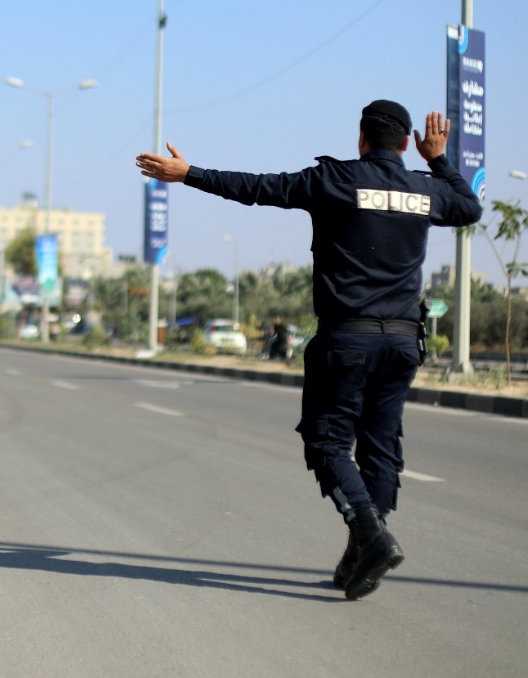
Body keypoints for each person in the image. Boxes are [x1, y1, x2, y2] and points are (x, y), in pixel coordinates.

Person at [134, 100, 482, 600]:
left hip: (348, 338)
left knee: (327, 442)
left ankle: (370, 535)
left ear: (361, 137)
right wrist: (439, 160)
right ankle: (362, 553)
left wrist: (189, 174)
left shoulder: (335, 180)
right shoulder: (425, 189)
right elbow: (469, 207)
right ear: (407, 142)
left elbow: (257, 189)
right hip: (404, 341)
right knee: (381, 448)